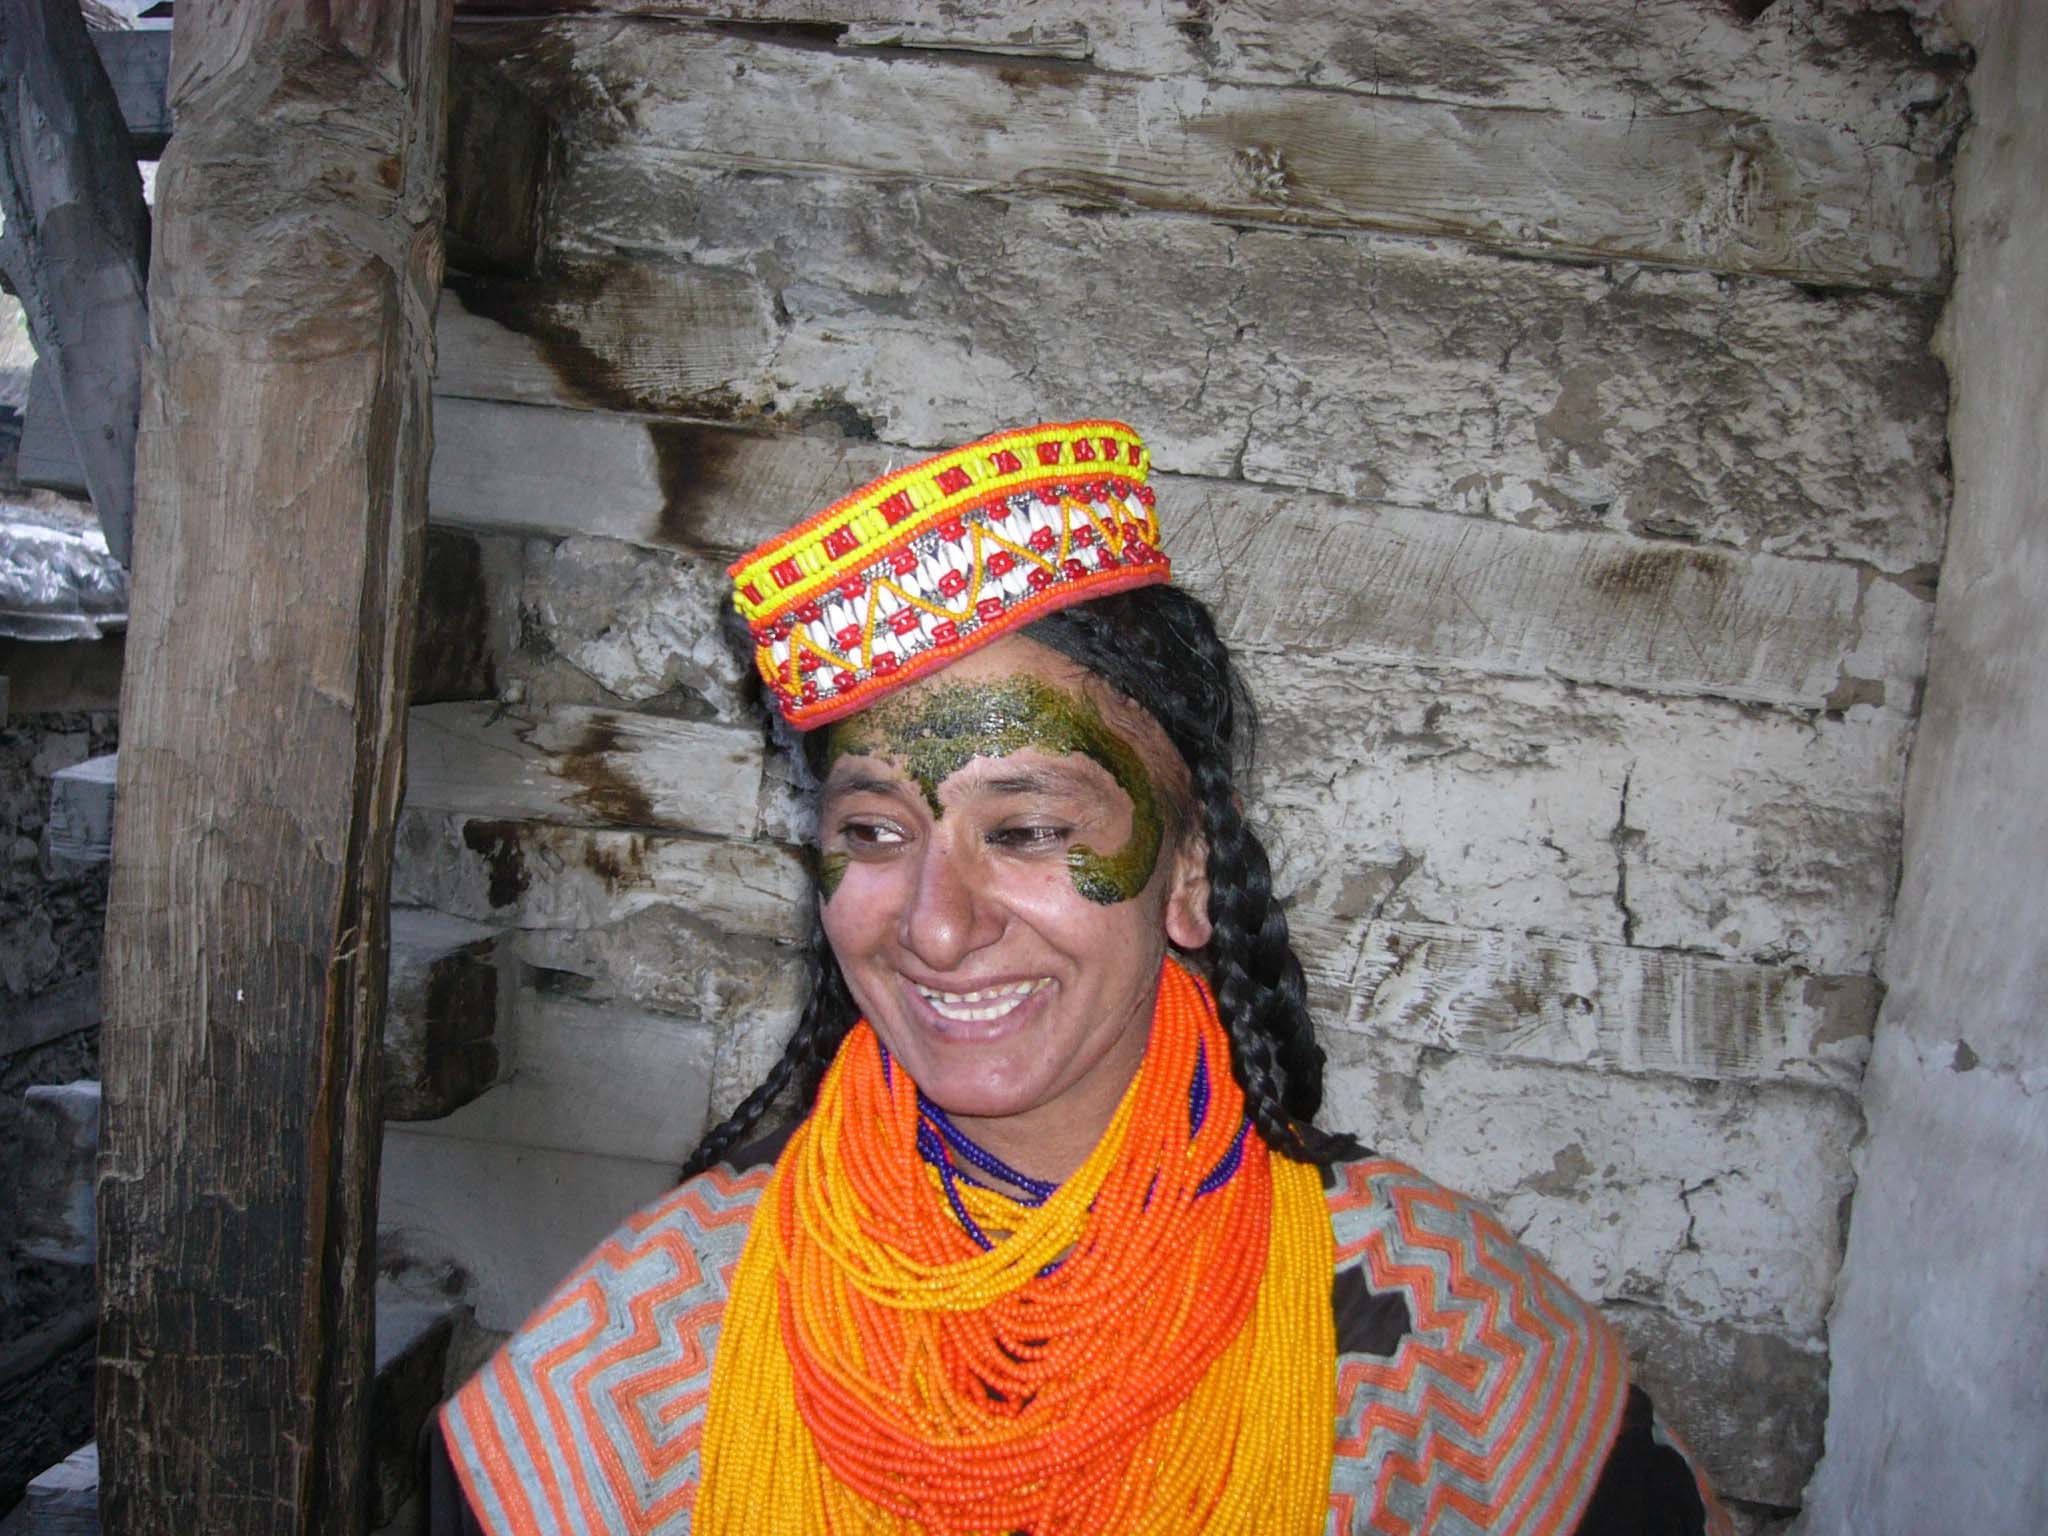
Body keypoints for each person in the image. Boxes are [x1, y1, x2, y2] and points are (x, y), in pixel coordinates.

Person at [427, 420, 1731, 1534]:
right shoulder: (656, 1351)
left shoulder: (1443, 1339)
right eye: (874, 831)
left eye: (1032, 829)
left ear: (1192, 870)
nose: (935, 929)